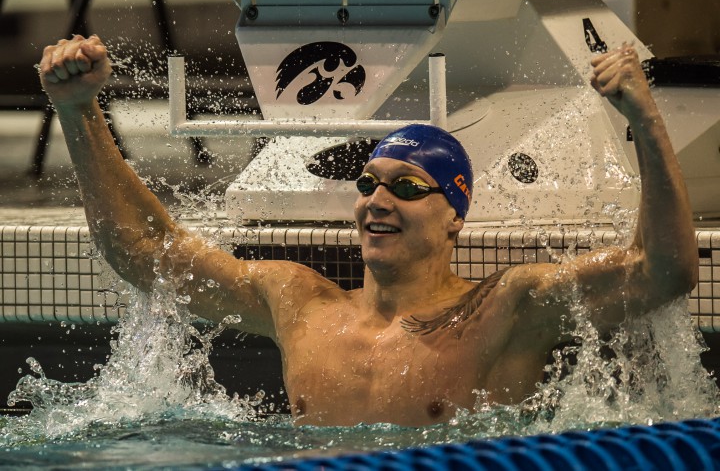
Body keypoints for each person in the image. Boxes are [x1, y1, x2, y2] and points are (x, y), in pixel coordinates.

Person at [39, 35, 698, 427]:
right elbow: (151, 258)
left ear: (454, 218)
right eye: (368, 184)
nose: (376, 200)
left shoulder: (506, 308)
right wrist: (78, 112)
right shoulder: (298, 303)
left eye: (406, 187)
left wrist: (645, 117)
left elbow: (662, 272)